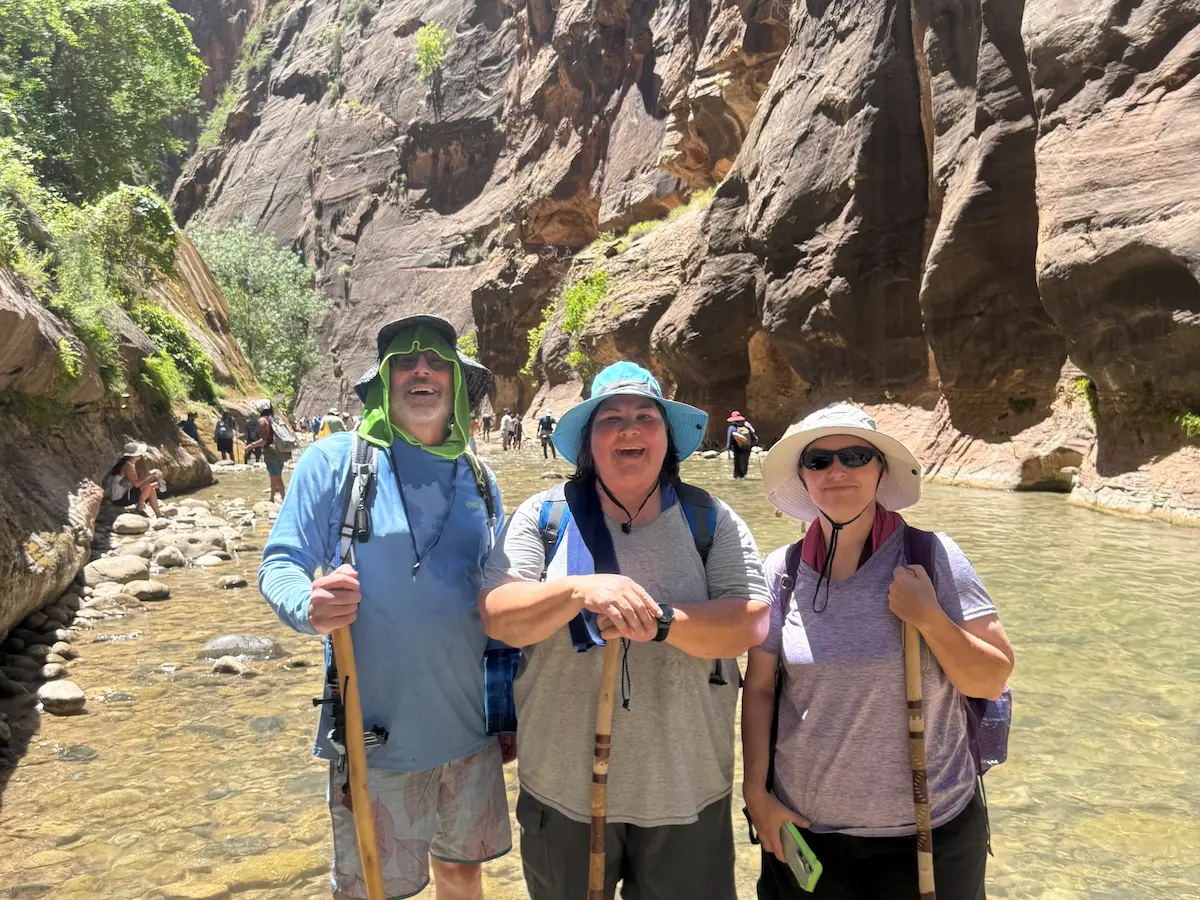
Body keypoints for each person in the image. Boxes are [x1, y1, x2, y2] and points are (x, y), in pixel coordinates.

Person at [479, 361, 770, 900]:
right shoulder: (542, 517)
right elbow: (500, 614)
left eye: (645, 416)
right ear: (590, 441)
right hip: (563, 790)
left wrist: (656, 621)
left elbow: (748, 622)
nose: (629, 428)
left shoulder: (711, 520)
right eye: (610, 418)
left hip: (686, 790)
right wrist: (577, 592)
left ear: (667, 438)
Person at [259, 315, 512, 900]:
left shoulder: (480, 475)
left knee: (462, 873)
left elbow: (495, 594)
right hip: (374, 739)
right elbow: (280, 563)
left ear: (454, 381)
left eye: (433, 360)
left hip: (472, 734)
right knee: (373, 891)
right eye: (404, 359)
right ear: (382, 382)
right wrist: (308, 604)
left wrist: (510, 713)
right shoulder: (334, 463)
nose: (419, 369)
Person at [744, 403, 1015, 900]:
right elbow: (760, 690)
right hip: (804, 831)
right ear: (803, 478)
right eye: (818, 461)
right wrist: (755, 795)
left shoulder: (932, 556)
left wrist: (931, 618)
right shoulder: (779, 573)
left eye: (854, 455)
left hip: (927, 835)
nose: (837, 471)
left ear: (881, 469)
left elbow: (990, 679)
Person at [244, 400, 288, 502]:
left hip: (271, 452)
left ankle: (284, 500)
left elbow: (263, 440)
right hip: (281, 450)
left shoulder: (262, 421)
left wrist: (250, 446)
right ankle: (272, 498)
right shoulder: (276, 419)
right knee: (274, 476)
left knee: (277, 477)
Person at [107, 441, 164, 517]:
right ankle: (140, 509)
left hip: (124, 494)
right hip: (119, 499)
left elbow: (136, 483)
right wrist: (150, 475)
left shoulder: (129, 465)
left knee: (151, 489)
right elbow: (136, 484)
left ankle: (158, 514)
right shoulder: (127, 467)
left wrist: (152, 482)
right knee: (148, 486)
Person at [726, 411, 758, 479]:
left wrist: (728, 450)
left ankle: (737, 478)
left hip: (737, 449)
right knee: (745, 463)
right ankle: (744, 476)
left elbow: (729, 441)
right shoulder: (747, 426)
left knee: (737, 466)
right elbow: (754, 438)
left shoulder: (732, 428)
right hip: (747, 449)